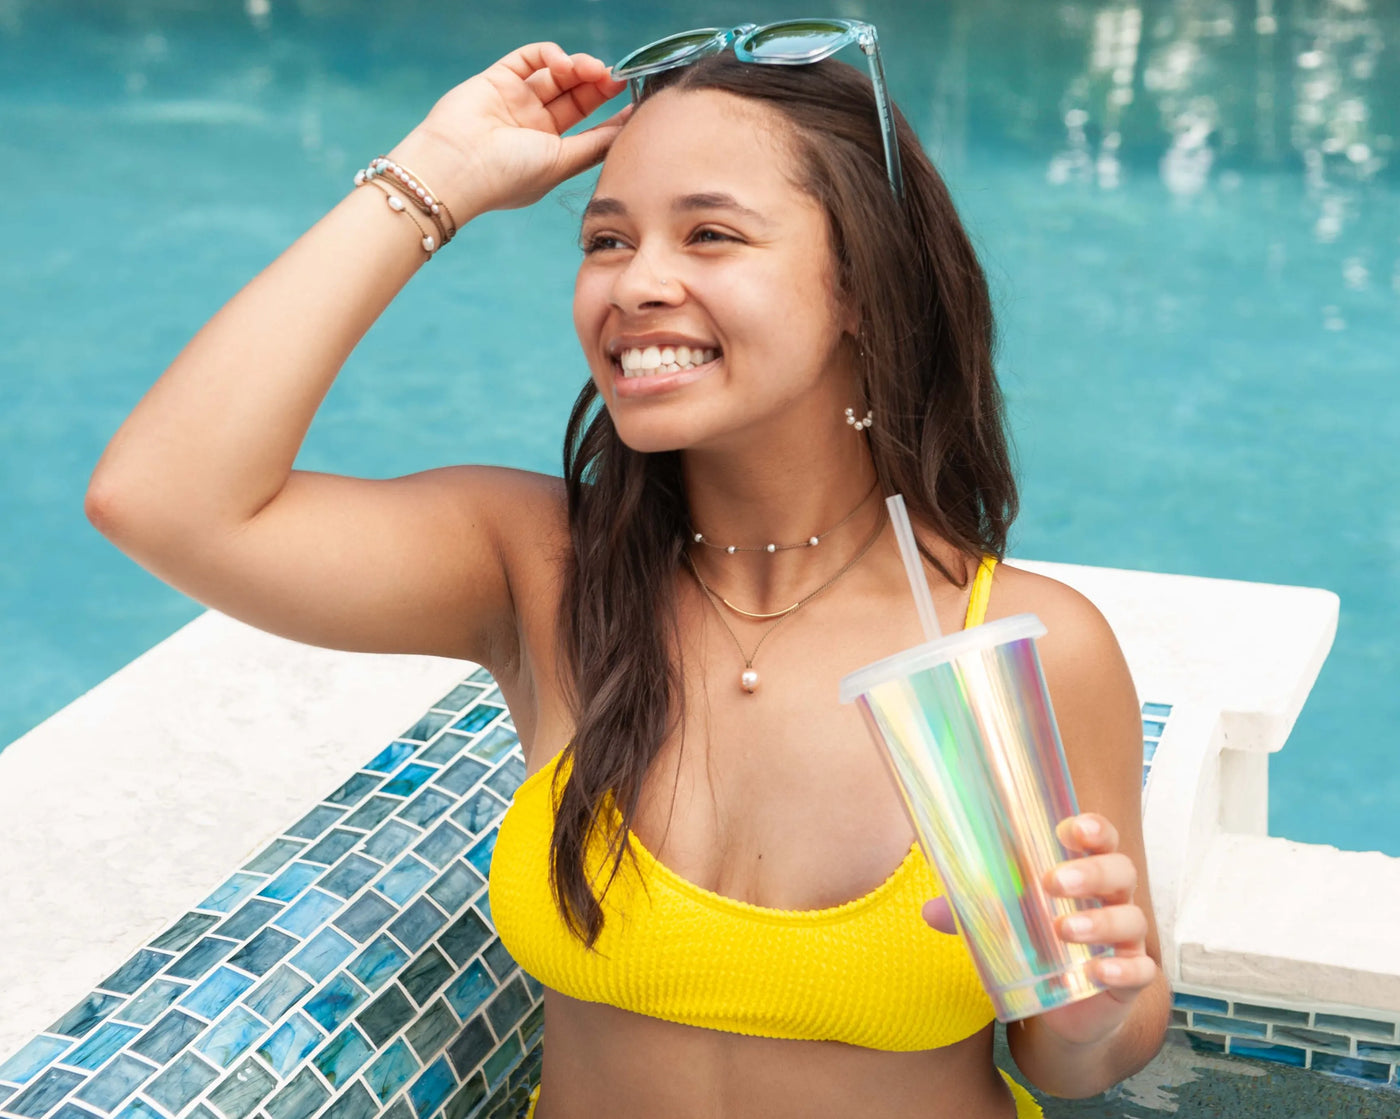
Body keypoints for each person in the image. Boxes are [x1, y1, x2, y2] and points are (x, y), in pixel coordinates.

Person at [86, 24, 1171, 1119]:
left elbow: (1070, 1052)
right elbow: (165, 502)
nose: (636, 283)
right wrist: (434, 181)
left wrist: (1087, 1016)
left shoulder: (1016, 646)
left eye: (708, 234)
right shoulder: (541, 569)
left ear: (858, 284)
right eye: (605, 241)